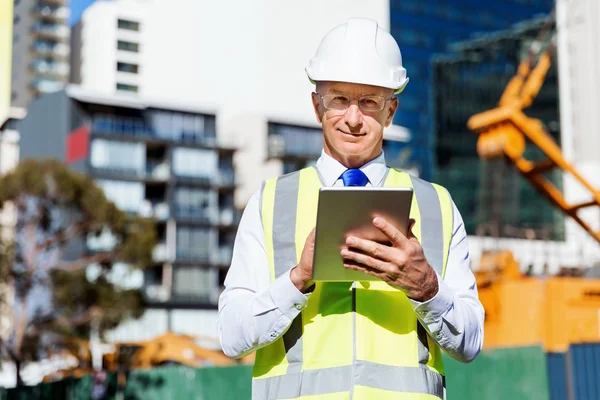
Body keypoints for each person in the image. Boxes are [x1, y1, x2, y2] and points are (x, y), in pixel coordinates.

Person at [218, 17, 484, 400]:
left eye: (369, 102)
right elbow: (231, 336)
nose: (354, 119)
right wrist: (298, 278)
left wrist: (426, 288)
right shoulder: (270, 201)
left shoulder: (436, 205)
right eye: (339, 99)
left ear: (390, 112)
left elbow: (471, 342)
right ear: (317, 106)